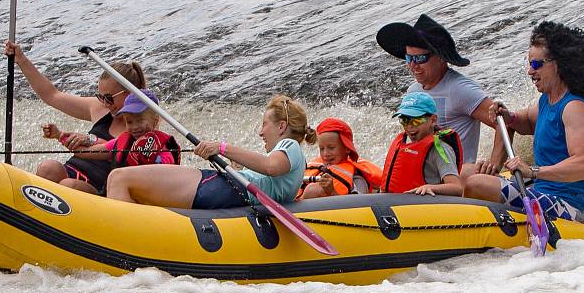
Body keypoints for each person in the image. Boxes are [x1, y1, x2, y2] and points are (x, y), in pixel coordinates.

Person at [463, 21, 584, 224]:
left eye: (536, 65)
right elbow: (526, 121)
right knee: (467, 172)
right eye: (529, 64)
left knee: (477, 184)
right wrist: (508, 117)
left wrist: (532, 171)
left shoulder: (574, 108)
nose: (530, 71)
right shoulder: (548, 100)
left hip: (572, 206)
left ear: (559, 64)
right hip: (542, 190)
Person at [106, 95, 316, 209]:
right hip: (227, 189)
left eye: (264, 124)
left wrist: (222, 148)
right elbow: (268, 179)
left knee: (119, 178)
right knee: (130, 189)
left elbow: (270, 167)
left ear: (281, 127)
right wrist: (236, 166)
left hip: (221, 187)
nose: (261, 132)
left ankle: (118, 242)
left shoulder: (291, 147)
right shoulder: (294, 160)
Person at [4, 41, 146, 193]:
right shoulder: (100, 108)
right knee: (48, 167)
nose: (105, 103)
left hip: (99, 189)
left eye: (109, 98)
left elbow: (118, 150)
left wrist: (89, 139)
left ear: (130, 93)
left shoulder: (143, 124)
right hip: (72, 171)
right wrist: (21, 59)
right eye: (101, 97)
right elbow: (52, 95)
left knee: (68, 185)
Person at [376, 14, 506, 174]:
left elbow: (504, 123)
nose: (413, 65)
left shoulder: (461, 89)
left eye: (420, 58)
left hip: (459, 175)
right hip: (427, 174)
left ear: (440, 58)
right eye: (409, 58)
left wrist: (494, 167)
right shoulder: (413, 92)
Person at [43, 90, 181, 193]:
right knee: (50, 170)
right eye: (129, 122)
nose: (135, 127)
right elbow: (87, 152)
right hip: (110, 199)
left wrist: (152, 157)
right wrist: (60, 135)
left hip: (141, 205)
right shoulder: (121, 142)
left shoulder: (165, 146)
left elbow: (169, 173)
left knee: (69, 185)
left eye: (140, 120)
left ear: (155, 120)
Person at [381, 92, 463, 196]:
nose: (409, 126)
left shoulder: (440, 149)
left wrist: (430, 187)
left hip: (424, 206)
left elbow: (457, 188)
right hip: (394, 203)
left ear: (433, 120)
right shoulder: (401, 142)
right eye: (405, 120)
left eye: (416, 120)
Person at [298, 118, 383, 199]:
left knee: (312, 190)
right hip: (298, 210)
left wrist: (332, 191)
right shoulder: (315, 167)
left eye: (331, 148)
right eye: (322, 149)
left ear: (347, 148)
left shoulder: (357, 178)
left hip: (334, 212)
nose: (325, 154)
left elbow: (356, 209)